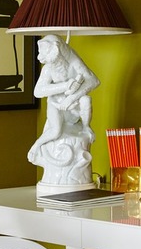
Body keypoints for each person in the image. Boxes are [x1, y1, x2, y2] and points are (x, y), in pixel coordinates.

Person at [27, 34, 99, 163]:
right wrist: (64, 86)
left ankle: (86, 126)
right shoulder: (48, 68)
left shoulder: (73, 61)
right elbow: (38, 91)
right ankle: (36, 145)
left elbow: (93, 80)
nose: (52, 63)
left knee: (86, 100)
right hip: (56, 104)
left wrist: (71, 99)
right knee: (56, 132)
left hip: (73, 104)